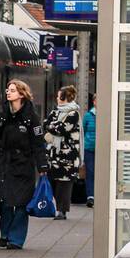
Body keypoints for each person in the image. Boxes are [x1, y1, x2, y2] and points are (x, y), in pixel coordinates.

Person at [0, 79, 49, 250]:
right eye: (7, 90)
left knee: (20, 202)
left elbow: (38, 144)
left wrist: (42, 167)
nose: (8, 92)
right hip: (4, 165)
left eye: (12, 90)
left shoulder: (31, 118)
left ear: (21, 94)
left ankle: (16, 239)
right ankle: (4, 234)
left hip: (24, 166)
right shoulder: (2, 116)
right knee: (4, 201)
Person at [44, 85, 82, 220]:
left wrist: (51, 127)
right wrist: (52, 126)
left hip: (68, 156)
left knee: (64, 183)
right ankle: (58, 207)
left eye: (59, 95)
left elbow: (61, 129)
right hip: (53, 155)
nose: (57, 98)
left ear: (65, 97)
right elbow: (46, 125)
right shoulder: (55, 112)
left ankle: (62, 210)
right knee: (53, 180)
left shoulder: (73, 113)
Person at [82, 93, 96, 208]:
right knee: (90, 172)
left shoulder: (107, 114)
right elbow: (83, 131)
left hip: (102, 149)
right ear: (94, 102)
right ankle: (90, 196)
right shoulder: (88, 116)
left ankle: (100, 194)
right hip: (89, 148)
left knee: (100, 172)